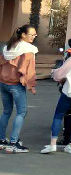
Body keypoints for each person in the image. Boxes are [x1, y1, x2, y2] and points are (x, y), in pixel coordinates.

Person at [0, 25, 38, 153]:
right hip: (16, 85)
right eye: (32, 34)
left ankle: (1, 140)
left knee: (6, 111)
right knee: (21, 112)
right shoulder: (28, 50)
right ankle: (13, 143)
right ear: (23, 35)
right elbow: (28, 70)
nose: (34, 36)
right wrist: (31, 86)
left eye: (35, 34)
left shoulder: (9, 47)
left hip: (3, 83)